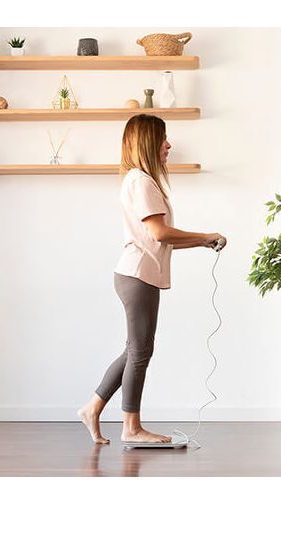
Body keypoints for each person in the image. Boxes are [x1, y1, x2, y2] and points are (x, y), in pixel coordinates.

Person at [78, 114, 227, 444]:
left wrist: (203, 242)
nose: (169, 145)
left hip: (137, 273)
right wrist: (204, 235)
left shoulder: (138, 180)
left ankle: (92, 408)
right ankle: (131, 428)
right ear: (148, 142)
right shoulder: (141, 182)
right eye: (163, 139)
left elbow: (158, 238)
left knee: (135, 349)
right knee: (140, 351)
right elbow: (160, 233)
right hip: (137, 275)